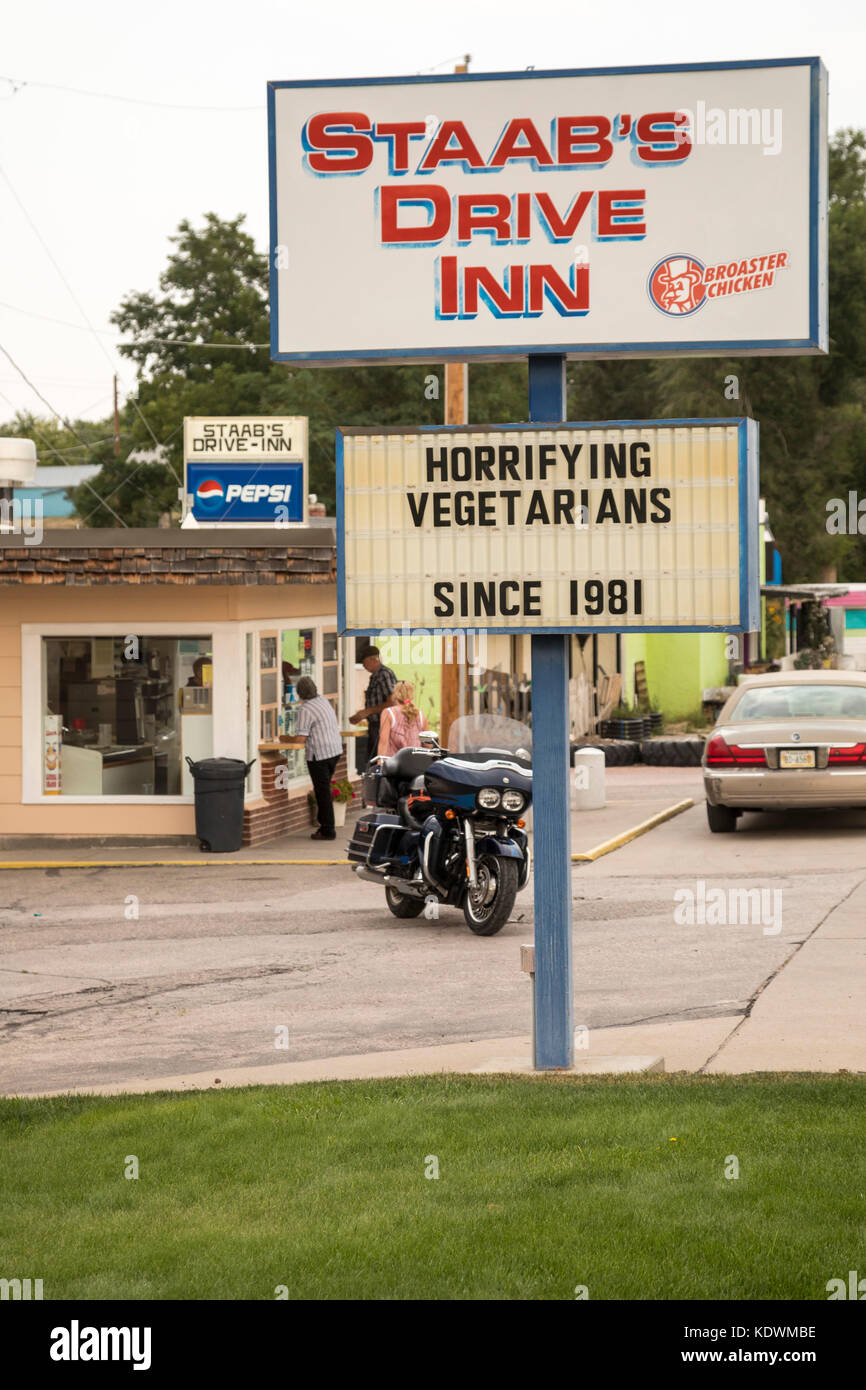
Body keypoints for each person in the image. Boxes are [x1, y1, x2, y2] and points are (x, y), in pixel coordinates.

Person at [293, 675, 344, 840]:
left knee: (322, 792)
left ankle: (328, 829)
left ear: (299, 693)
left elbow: (301, 738)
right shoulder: (322, 700)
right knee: (324, 789)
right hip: (334, 750)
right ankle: (325, 826)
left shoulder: (306, 709)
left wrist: (284, 739)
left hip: (319, 754)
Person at [348, 645, 397, 766]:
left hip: (382, 725)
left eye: (364, 661)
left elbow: (392, 702)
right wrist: (362, 715)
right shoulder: (375, 676)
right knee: (374, 760)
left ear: (372, 659)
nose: (363, 665)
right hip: (375, 725)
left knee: (379, 761)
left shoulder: (384, 674)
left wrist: (368, 711)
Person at [378, 681, 428, 756]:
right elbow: (428, 745)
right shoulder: (420, 715)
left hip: (394, 765)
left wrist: (380, 765)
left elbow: (383, 743)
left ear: (394, 695)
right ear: (412, 696)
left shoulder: (388, 713)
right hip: (416, 764)